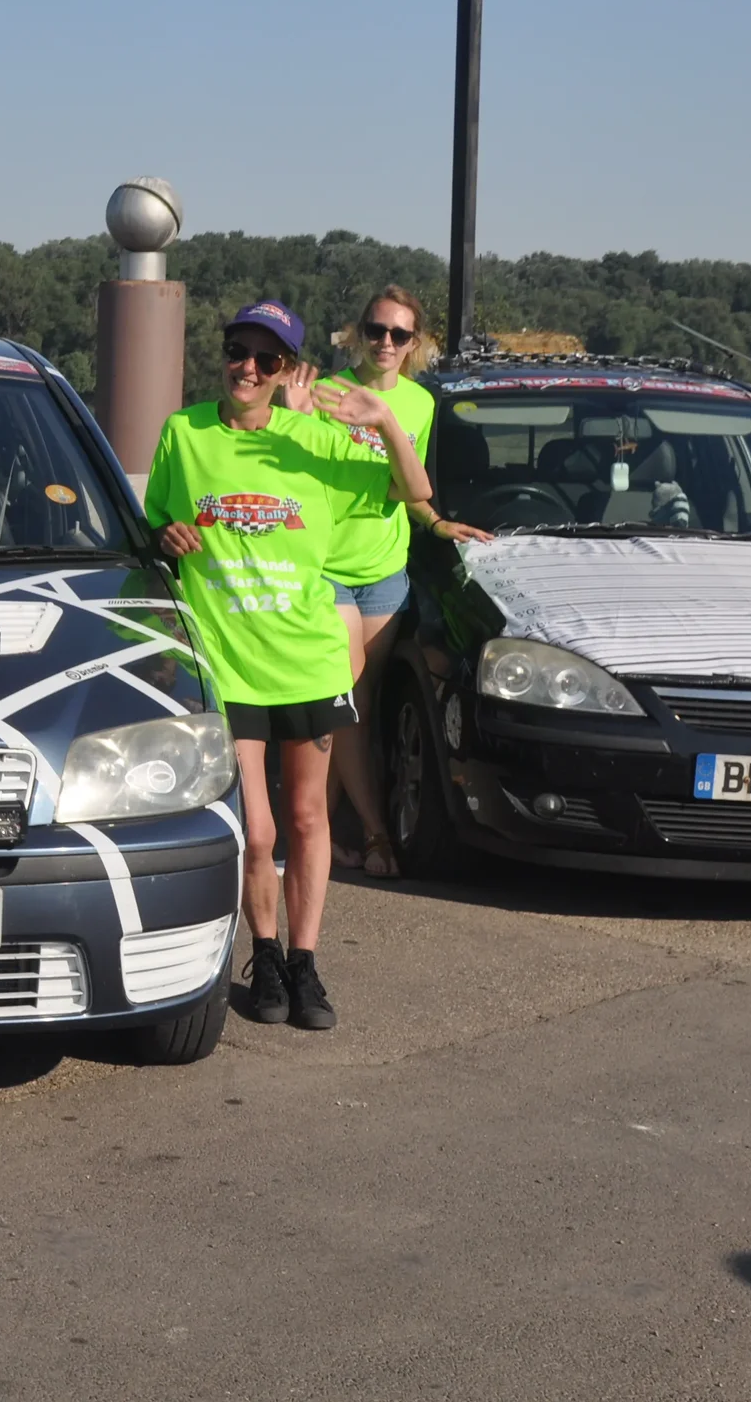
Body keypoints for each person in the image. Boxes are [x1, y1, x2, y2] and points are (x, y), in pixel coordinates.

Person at [143, 301, 431, 1032]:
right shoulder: (184, 433)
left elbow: (414, 492)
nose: (248, 367)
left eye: (267, 359)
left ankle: (305, 964)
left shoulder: (317, 439)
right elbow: (154, 527)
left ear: (286, 369)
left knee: (307, 816)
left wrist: (384, 420)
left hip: (307, 659)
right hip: (229, 664)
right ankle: (262, 955)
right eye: (238, 351)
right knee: (257, 829)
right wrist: (165, 535)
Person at [317, 285, 491, 879]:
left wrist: (437, 522)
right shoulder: (324, 395)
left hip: (384, 572)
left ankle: (321, 829)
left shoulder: (418, 404)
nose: (385, 343)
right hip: (326, 569)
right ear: (358, 332)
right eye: (376, 330)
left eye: (399, 334)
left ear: (415, 344)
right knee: (351, 702)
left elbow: (404, 486)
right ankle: (375, 836)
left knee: (352, 707)